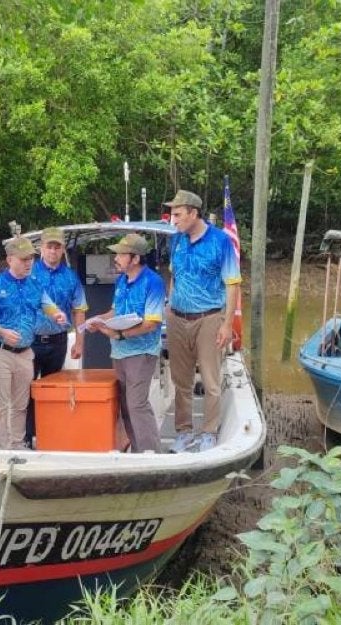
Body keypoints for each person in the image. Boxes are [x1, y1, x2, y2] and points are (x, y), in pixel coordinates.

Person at [164, 189, 242, 453]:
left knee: (210, 381)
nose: (173, 220)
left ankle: (209, 432)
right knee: (181, 381)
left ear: (193, 213)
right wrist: (170, 306)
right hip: (176, 318)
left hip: (208, 318)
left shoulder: (221, 241)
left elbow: (232, 284)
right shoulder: (176, 240)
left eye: (177, 214)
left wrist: (227, 324)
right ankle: (184, 432)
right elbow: (174, 276)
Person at [0, 236, 66, 450]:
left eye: (30, 258)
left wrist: (57, 314)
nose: (28, 263)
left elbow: (48, 305)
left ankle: (18, 443)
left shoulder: (35, 285)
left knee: (21, 404)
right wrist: (1, 332)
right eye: (23, 259)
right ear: (10, 260)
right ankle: (1, 448)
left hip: (26, 353)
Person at [89, 233, 166, 453]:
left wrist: (121, 335)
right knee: (125, 405)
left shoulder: (153, 282)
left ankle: (152, 453)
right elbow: (115, 311)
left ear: (135, 258)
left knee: (137, 404)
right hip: (119, 352)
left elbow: (151, 323)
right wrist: (98, 319)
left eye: (121, 254)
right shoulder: (122, 280)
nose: (116, 258)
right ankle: (137, 450)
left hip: (142, 352)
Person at [24, 227, 88, 448]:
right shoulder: (28, 272)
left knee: (52, 391)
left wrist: (79, 342)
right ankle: (27, 437)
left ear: (63, 250)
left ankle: (50, 435)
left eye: (57, 247)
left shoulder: (71, 277)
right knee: (27, 391)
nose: (53, 251)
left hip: (57, 342)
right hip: (30, 342)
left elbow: (79, 310)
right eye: (49, 246)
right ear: (41, 248)